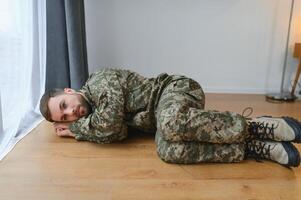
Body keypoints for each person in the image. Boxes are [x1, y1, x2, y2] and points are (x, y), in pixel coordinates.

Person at [39, 68, 301, 167]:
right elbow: (116, 132)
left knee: (168, 123)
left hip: (175, 90)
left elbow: (110, 126)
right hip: (169, 126)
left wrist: (78, 131)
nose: (70, 112)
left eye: (65, 104)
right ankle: (251, 147)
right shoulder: (93, 118)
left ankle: (256, 126)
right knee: (167, 150)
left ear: (70, 91)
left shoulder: (99, 80)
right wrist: (87, 129)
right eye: (64, 117)